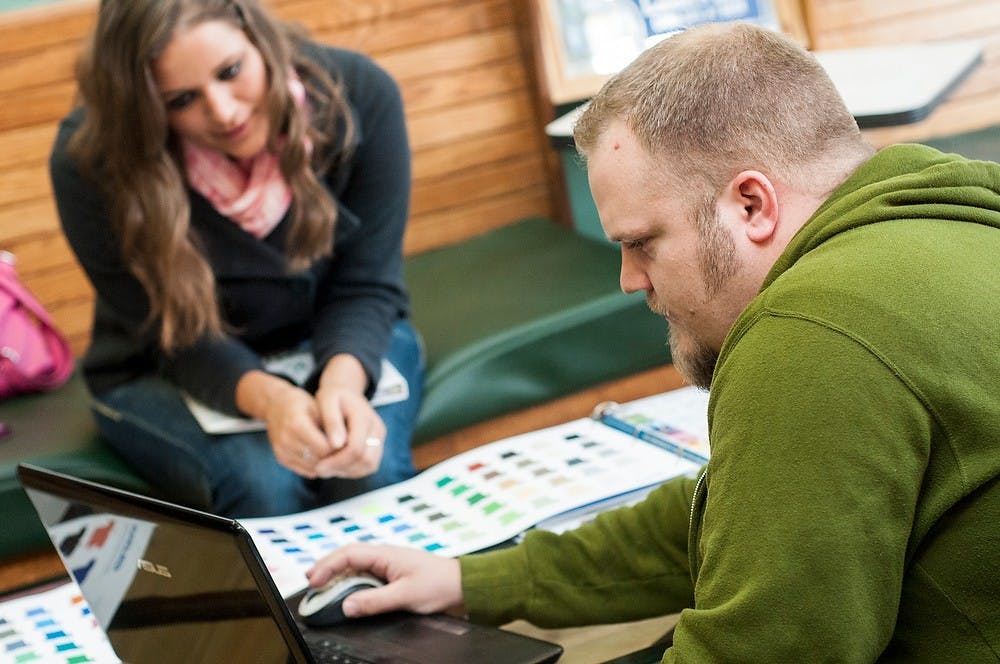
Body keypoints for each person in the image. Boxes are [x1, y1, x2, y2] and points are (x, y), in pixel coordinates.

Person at [304, 22, 1000, 661]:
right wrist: (472, 578)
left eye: (641, 242)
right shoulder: (950, 222)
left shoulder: (815, 332)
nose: (628, 279)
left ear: (751, 205)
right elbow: (734, 513)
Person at [49, 0, 424, 518]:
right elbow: (174, 337)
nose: (224, 112)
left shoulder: (361, 96)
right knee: (265, 481)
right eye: (181, 100)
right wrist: (272, 401)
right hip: (165, 364)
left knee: (367, 467)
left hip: (340, 337)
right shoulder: (90, 161)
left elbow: (365, 284)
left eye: (231, 72)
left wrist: (340, 383)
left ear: (256, 35)